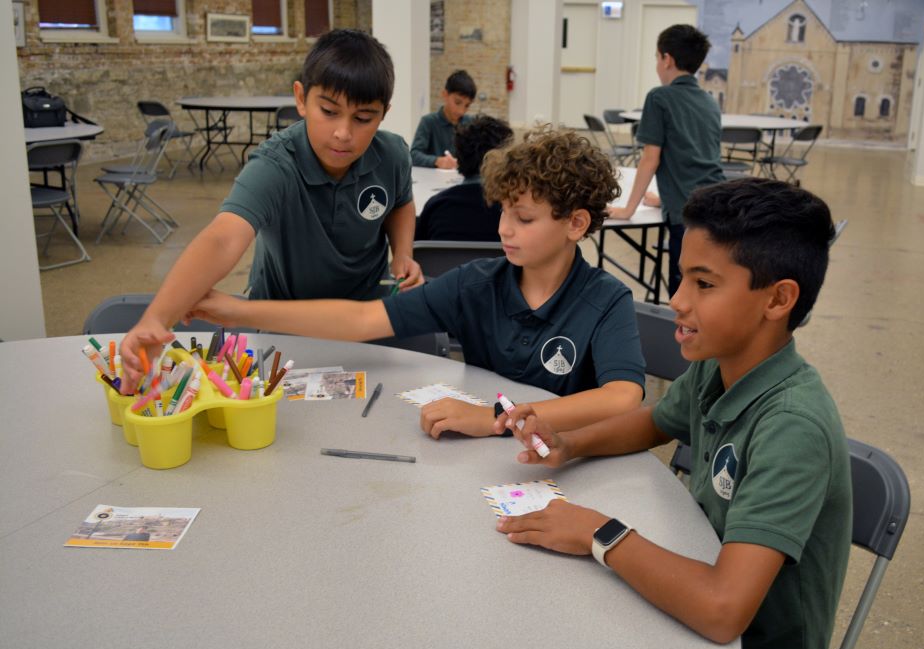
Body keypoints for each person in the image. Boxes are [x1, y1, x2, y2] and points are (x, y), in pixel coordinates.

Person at [498, 178, 850, 649]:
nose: (677, 301)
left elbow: (722, 610)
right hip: (686, 599)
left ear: (777, 300)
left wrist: (597, 532)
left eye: (704, 284)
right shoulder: (719, 364)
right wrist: (569, 443)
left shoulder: (792, 428)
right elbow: (655, 423)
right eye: (682, 277)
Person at [184, 129, 646, 439]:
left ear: (575, 224)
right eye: (504, 211)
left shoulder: (606, 300)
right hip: (486, 462)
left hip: (566, 466)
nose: (504, 228)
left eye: (523, 218)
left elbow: (623, 398)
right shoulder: (475, 284)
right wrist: (236, 310)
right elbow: (362, 319)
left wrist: (497, 418)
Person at [118, 29, 423, 393]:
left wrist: (402, 252)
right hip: (282, 325)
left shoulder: (392, 154)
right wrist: (155, 319)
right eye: (328, 112)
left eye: (363, 118)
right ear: (301, 98)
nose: (343, 133)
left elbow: (400, 202)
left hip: (364, 319)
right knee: (284, 411)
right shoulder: (275, 164)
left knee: (363, 404)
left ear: (384, 114)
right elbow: (223, 238)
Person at [608, 24, 724, 299]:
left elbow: (650, 159)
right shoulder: (709, 102)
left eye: (656, 58)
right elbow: (697, 157)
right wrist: (664, 198)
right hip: (716, 204)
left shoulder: (659, 97)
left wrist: (627, 209)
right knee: (706, 286)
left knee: (683, 293)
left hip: (686, 215)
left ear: (666, 59)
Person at [415, 115, 514, 242]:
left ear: (459, 156)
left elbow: (418, 249)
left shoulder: (437, 206)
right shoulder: (512, 210)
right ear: (501, 160)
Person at [411, 69, 477, 169]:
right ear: (445, 95)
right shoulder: (428, 122)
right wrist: (437, 161)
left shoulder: (471, 123)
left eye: (467, 105)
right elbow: (413, 155)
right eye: (457, 102)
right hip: (433, 177)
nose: (461, 111)